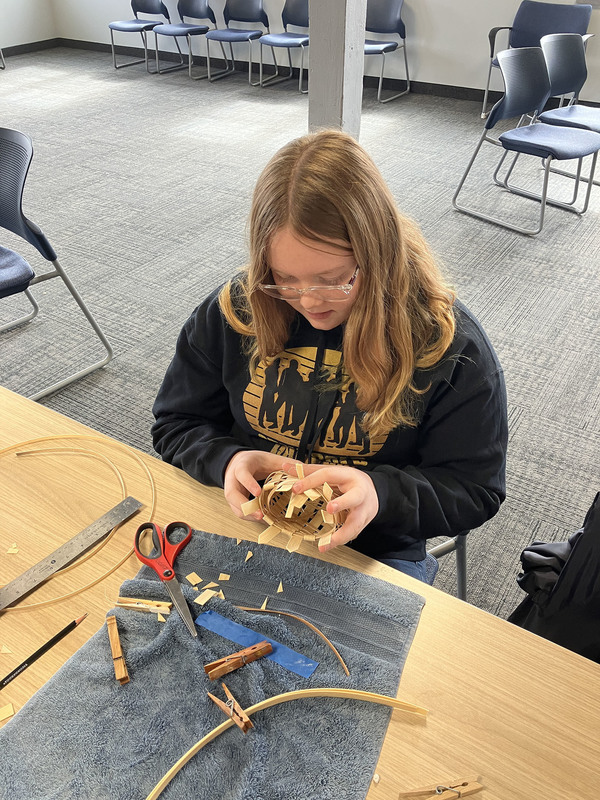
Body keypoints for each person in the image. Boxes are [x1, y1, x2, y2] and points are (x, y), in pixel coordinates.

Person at [152, 129, 508, 583]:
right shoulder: (237, 310)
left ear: (377, 253)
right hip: (250, 519)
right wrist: (227, 460)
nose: (308, 300)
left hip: (375, 548)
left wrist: (380, 494)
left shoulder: (449, 346)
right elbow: (175, 423)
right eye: (284, 278)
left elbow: (475, 489)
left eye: (333, 278)